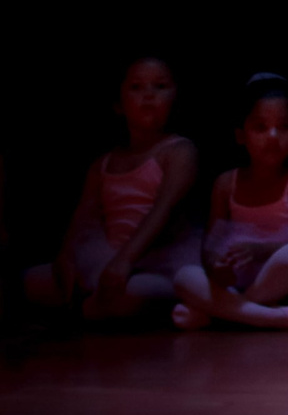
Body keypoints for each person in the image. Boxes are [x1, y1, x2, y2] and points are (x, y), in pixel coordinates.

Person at [24, 57, 197, 324]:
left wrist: (124, 261)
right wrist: (67, 257)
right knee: (32, 281)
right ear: (118, 104)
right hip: (108, 255)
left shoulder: (179, 151)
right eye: (136, 87)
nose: (149, 95)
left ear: (176, 97)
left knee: (134, 294)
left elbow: (163, 210)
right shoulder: (103, 164)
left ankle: (88, 310)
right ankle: (90, 304)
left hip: (158, 260)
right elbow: (85, 218)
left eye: (160, 86)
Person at [173, 74, 288, 330]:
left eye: (284, 126)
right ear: (241, 135)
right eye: (260, 127)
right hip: (237, 281)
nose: (273, 136)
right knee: (184, 277)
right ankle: (272, 317)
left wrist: (261, 251)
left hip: (281, 280)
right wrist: (218, 267)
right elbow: (210, 248)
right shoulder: (225, 184)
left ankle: (222, 315)